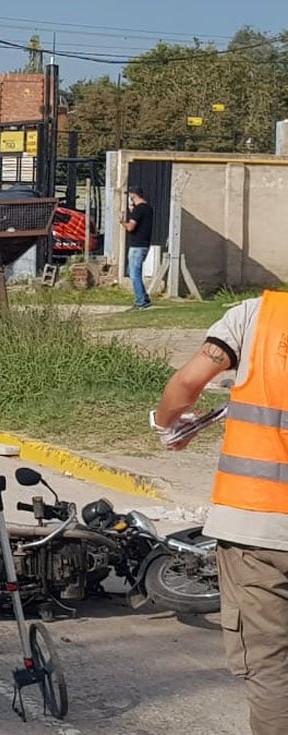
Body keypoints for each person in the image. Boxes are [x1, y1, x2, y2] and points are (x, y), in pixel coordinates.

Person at [151, 290, 288, 735]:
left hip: (258, 528)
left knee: (270, 667)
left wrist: (167, 423)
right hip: (257, 529)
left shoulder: (258, 316)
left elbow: (188, 383)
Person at [121, 185, 154, 309]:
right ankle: (144, 297)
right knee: (131, 272)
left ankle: (140, 302)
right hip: (144, 244)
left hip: (137, 246)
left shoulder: (139, 209)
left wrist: (121, 221)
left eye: (129, 195)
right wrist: (131, 210)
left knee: (135, 274)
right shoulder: (148, 208)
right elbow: (140, 222)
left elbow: (130, 227)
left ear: (133, 195)